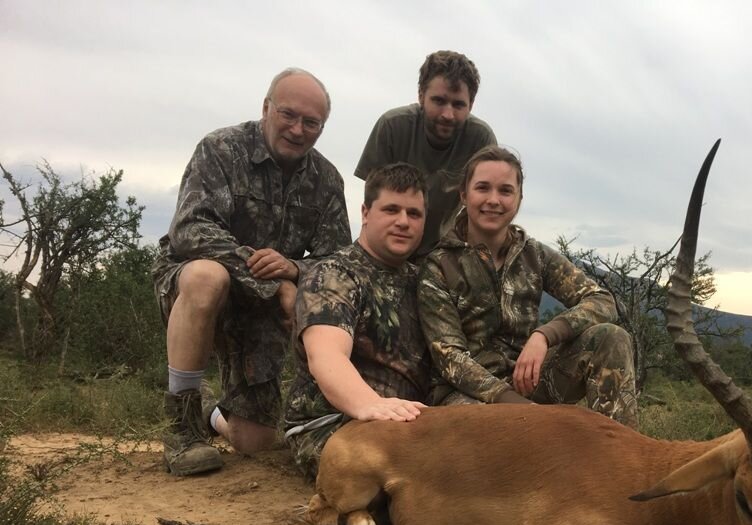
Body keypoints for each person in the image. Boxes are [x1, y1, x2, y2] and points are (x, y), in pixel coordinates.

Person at [152, 68, 351, 476]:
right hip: (193, 284)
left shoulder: (328, 180)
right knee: (208, 276)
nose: (298, 129)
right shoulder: (220, 149)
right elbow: (190, 229)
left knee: (255, 442)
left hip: (260, 308)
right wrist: (274, 281)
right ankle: (181, 427)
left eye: (311, 122)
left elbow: (338, 261)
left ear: (322, 127)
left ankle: (210, 414)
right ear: (266, 108)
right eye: (288, 114)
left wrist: (296, 269)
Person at [417, 146, 638, 428]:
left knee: (611, 338)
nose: (493, 200)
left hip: (528, 380)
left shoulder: (535, 255)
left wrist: (544, 336)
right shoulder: (438, 266)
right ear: (464, 195)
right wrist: (518, 406)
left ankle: (619, 455)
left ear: (519, 199)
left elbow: (602, 300)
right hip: (464, 395)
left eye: (506, 191)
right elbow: (449, 357)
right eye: (482, 188)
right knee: (501, 432)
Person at [284, 163, 431, 481]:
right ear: (366, 212)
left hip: (410, 421)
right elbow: (326, 356)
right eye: (391, 209)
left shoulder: (425, 281)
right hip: (333, 424)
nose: (403, 222)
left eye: (414, 213)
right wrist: (370, 405)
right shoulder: (333, 274)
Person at [355, 50, 496, 259]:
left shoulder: (481, 140)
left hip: (442, 254)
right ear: (421, 95)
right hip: (385, 248)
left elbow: (484, 207)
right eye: (439, 101)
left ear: (471, 104)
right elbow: (373, 202)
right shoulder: (392, 126)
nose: (448, 115)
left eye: (458, 104)